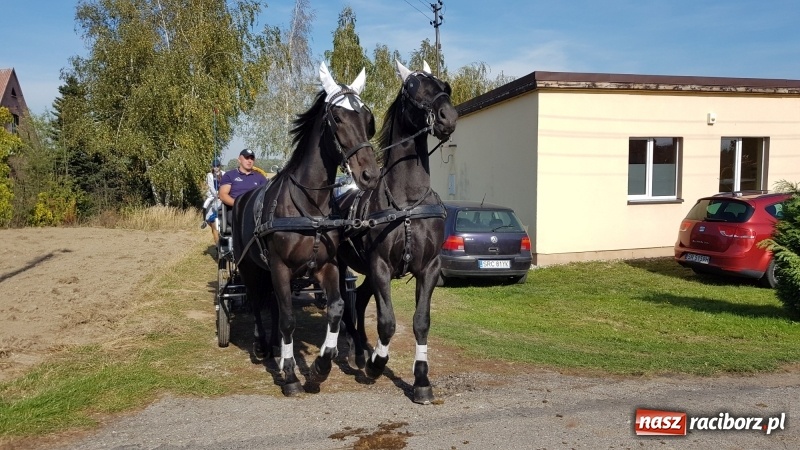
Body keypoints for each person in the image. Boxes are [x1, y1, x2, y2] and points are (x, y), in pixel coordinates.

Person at [219, 148, 268, 225]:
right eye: (246, 158)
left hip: (256, 211)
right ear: (239, 160)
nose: (249, 161)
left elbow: (267, 194)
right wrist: (239, 204)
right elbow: (223, 195)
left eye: (252, 158)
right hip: (236, 210)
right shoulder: (229, 175)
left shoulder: (260, 177)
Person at [200, 158, 224, 245]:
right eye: (214, 166)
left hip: (222, 195)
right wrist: (216, 194)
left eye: (217, 166)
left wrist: (222, 194)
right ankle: (204, 221)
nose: (216, 168)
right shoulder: (209, 175)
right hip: (212, 196)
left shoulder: (224, 174)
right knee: (205, 205)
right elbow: (211, 186)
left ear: (219, 166)